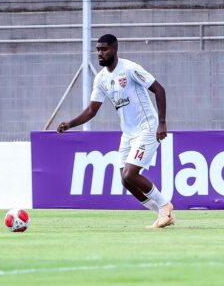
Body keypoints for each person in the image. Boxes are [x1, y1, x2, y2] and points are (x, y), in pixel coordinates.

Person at [57, 34, 175, 228]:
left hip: (147, 127)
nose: (100, 53)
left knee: (130, 174)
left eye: (104, 49)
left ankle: (165, 206)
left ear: (115, 49)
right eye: (98, 50)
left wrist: (162, 122)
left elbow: (159, 90)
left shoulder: (129, 69)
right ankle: (162, 213)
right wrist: (70, 124)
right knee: (125, 180)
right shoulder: (101, 79)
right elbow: (91, 110)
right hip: (128, 134)